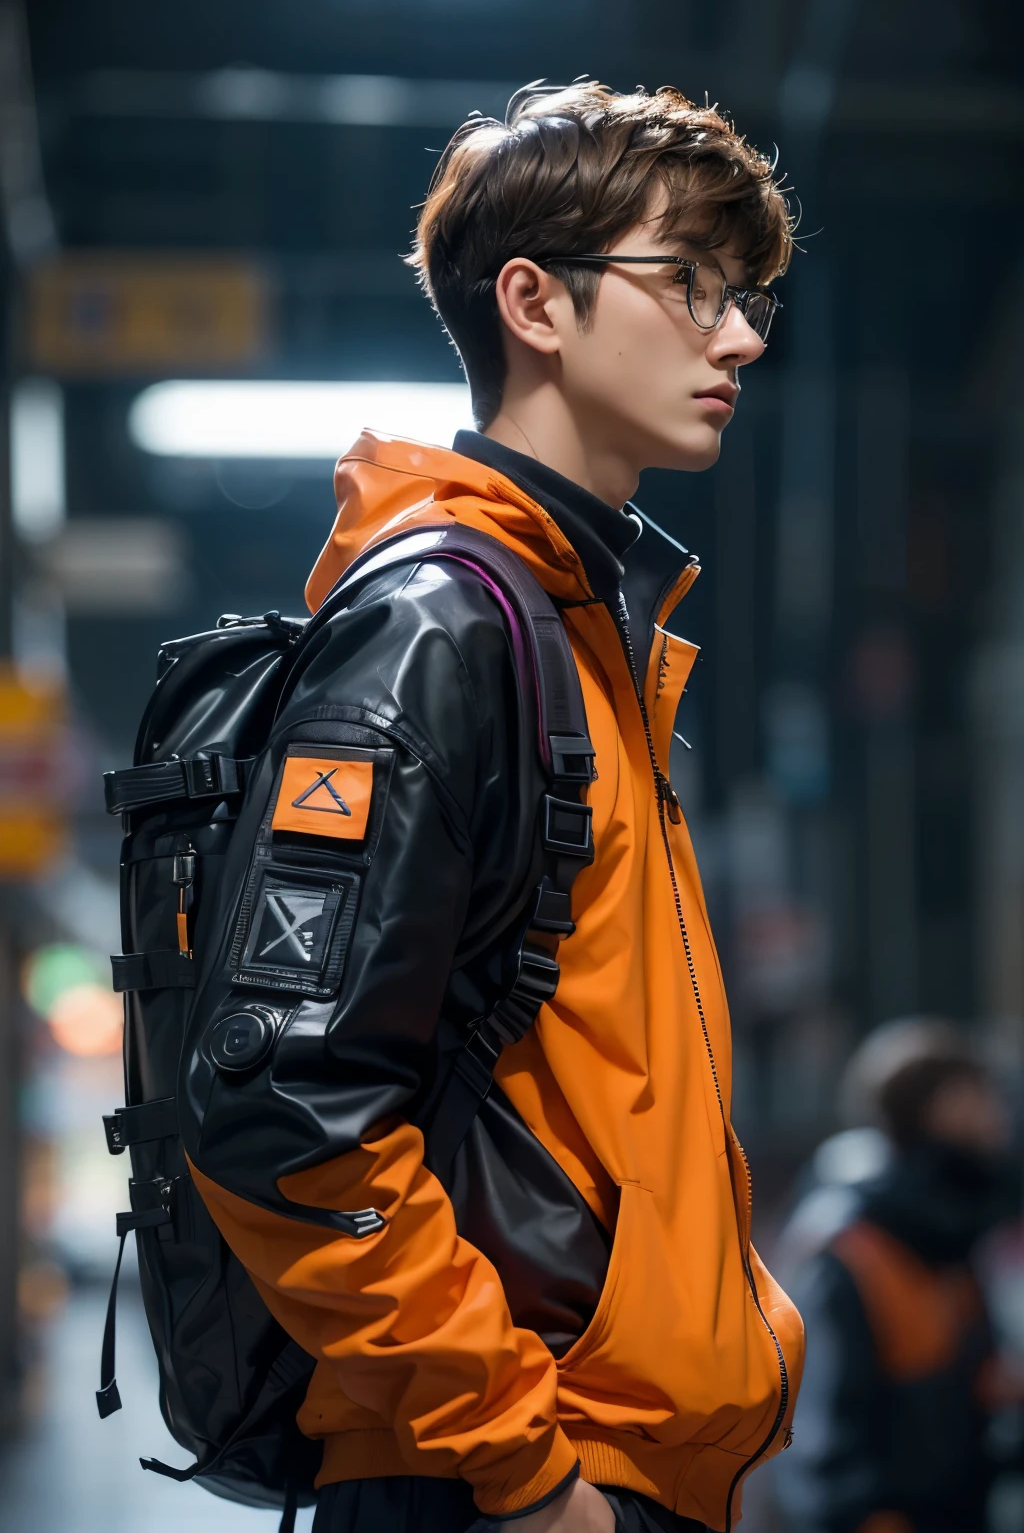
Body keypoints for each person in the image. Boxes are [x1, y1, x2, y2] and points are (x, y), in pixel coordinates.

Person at [186, 81, 803, 1533]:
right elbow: (280, 1102)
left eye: (749, 295)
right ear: (534, 301)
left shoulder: (576, 630)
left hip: (597, 1466)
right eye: (692, 285)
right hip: (495, 1480)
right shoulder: (444, 627)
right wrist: (525, 1476)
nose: (741, 336)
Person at [775, 1019, 1023, 1533]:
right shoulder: (850, 1250)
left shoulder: (946, 1238)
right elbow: (821, 1454)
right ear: (937, 1112)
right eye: (980, 1102)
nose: (999, 1123)